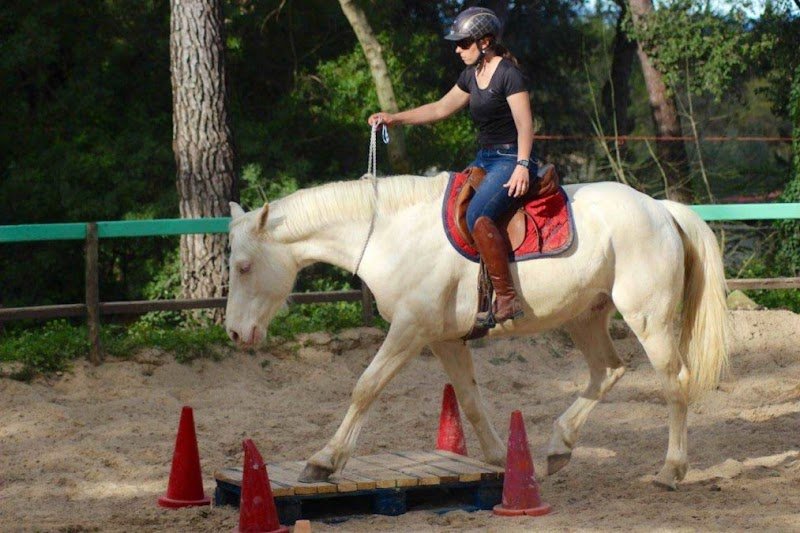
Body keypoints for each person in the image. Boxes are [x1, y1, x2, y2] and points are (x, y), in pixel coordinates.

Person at [367, 7, 535, 328]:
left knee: (477, 215)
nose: (457, 49)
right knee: (449, 207)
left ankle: (507, 297)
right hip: (485, 158)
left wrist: (523, 166)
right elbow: (440, 108)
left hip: (511, 158)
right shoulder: (471, 76)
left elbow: (526, 125)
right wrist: (393, 118)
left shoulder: (509, 75)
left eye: (463, 43)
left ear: (485, 42)